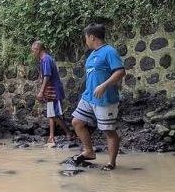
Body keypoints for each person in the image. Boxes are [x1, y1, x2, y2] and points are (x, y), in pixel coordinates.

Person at [70, 23, 126, 171]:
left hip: (105, 98)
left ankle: (111, 163)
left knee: (109, 131)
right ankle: (89, 151)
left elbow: (120, 72)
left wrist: (104, 85)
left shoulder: (109, 51)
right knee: (77, 122)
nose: (85, 41)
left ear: (92, 36)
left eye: (86, 38)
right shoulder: (92, 54)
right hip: (88, 97)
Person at [32, 41, 74, 144]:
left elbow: (47, 76)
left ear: (38, 49)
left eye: (33, 51)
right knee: (51, 113)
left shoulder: (46, 59)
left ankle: (69, 133)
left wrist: (41, 91)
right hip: (50, 90)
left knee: (54, 114)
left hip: (53, 90)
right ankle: (51, 136)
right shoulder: (44, 59)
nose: (33, 53)